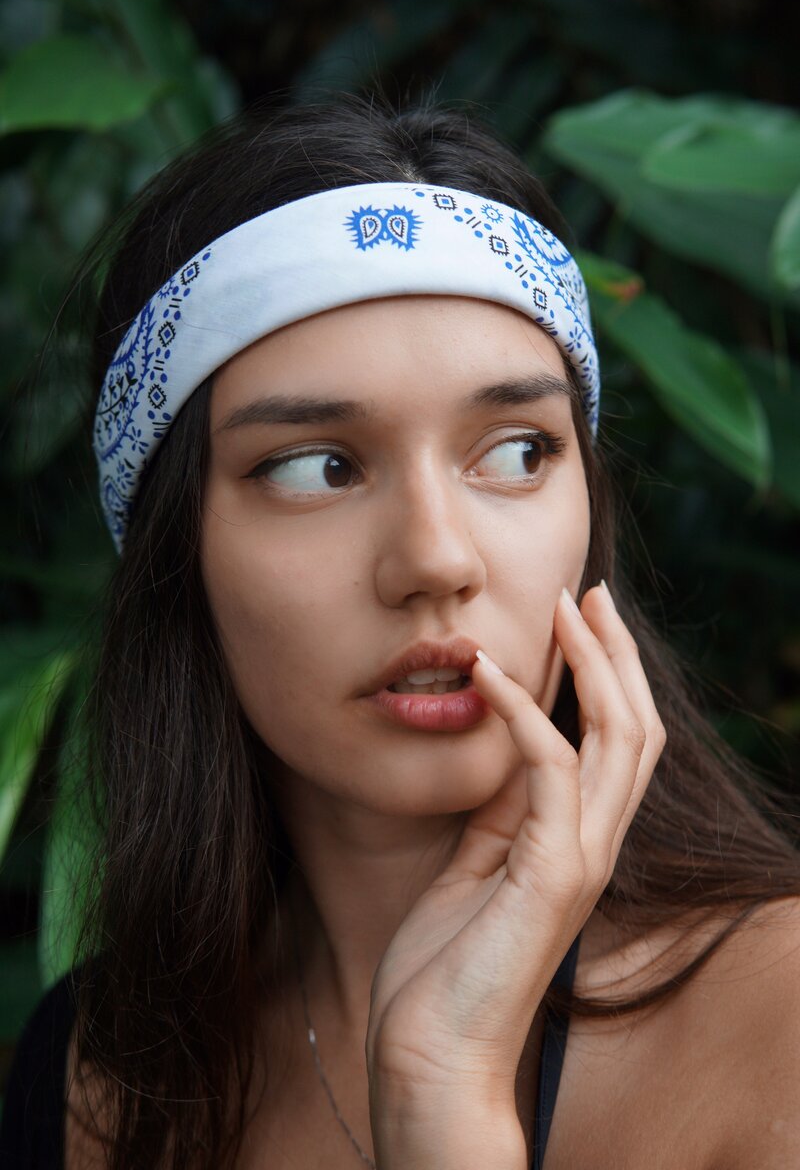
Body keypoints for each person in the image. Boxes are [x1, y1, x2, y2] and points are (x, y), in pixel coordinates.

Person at [1, 88, 799, 1170]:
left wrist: (446, 1098)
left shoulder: (777, 1023)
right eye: (316, 468)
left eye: (516, 450)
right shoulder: (97, 1084)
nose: (436, 558)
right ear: (173, 554)